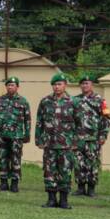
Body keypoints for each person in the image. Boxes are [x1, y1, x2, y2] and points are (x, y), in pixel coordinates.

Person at [36, 73, 82, 209]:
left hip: (66, 145)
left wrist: (77, 142)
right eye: (55, 85)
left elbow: (80, 124)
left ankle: (63, 200)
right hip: (49, 144)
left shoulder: (73, 102)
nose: (57, 87)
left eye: (59, 84)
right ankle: (51, 200)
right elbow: (40, 122)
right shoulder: (45, 101)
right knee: (49, 172)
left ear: (65, 85)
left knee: (65, 172)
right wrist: (39, 139)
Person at [73, 74, 110, 198]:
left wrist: (103, 135)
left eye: (87, 83)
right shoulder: (75, 100)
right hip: (78, 138)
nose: (85, 85)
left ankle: (91, 189)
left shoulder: (100, 100)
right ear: (80, 85)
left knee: (92, 163)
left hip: (93, 138)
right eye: (83, 83)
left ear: (91, 85)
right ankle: (80, 188)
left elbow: (106, 118)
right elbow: (70, 119)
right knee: (79, 163)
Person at [0, 76, 31, 192]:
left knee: (16, 159)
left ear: (17, 87)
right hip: (2, 135)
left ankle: (15, 183)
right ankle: (3, 183)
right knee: (2, 159)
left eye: (13, 85)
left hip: (17, 136)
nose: (10, 87)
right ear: (6, 86)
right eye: (8, 85)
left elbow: (27, 119)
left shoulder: (23, 101)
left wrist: (27, 134)